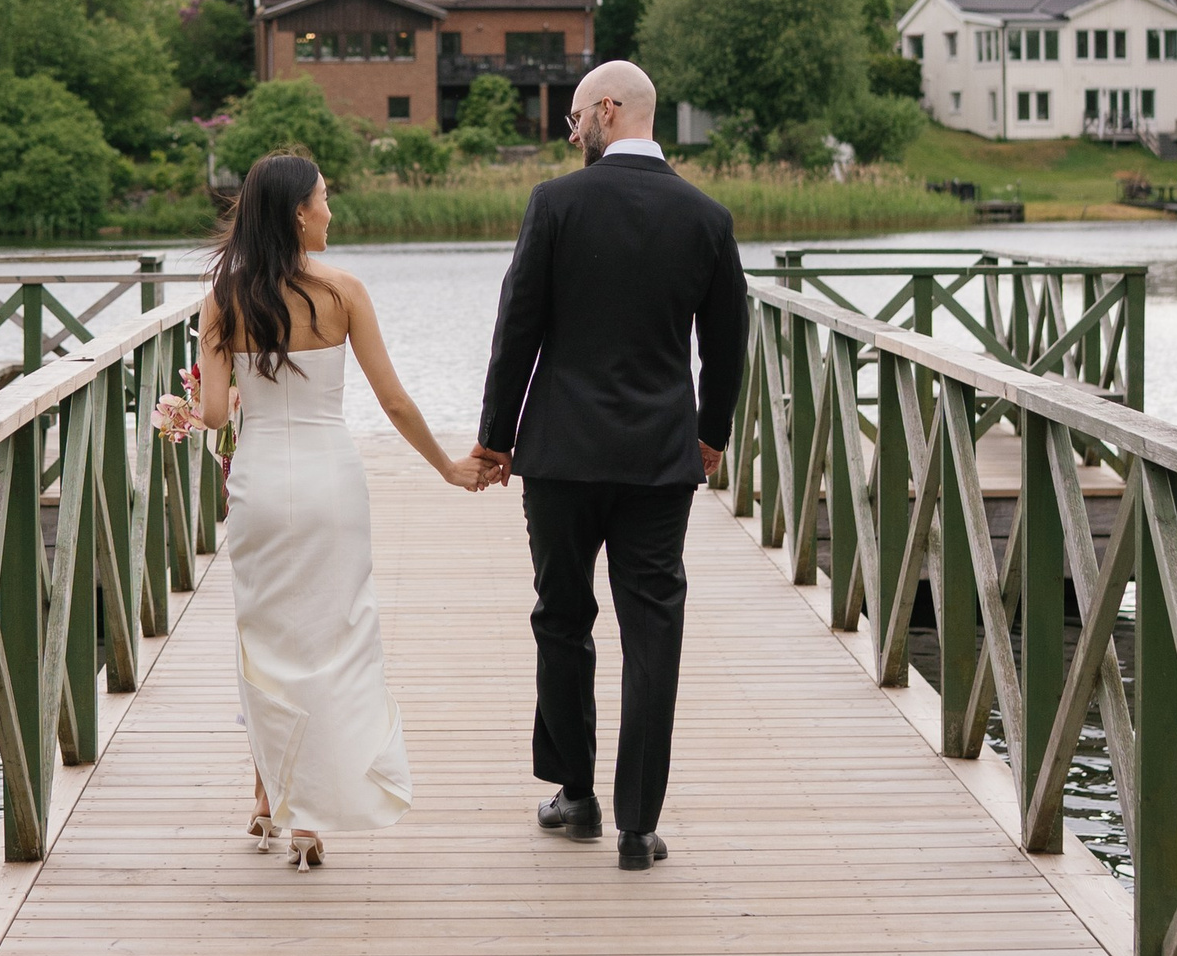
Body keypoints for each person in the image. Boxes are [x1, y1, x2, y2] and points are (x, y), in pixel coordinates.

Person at [167, 150, 488, 868]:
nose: (331, 211)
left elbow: (216, 415)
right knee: (331, 638)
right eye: (323, 199)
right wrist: (447, 468)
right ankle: (307, 813)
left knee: (265, 638)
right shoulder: (343, 291)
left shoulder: (223, 297)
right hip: (331, 481)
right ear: (296, 213)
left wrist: (179, 409)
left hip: (258, 482)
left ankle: (269, 797)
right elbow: (396, 401)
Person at [472, 60, 748, 870]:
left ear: (608, 109)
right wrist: (712, 434)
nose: (570, 133)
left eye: (573, 119)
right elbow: (727, 344)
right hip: (660, 461)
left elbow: (515, 328)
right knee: (652, 632)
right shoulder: (706, 216)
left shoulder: (556, 204)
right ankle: (637, 825)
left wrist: (496, 438)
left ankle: (577, 796)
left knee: (562, 618)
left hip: (560, 454)